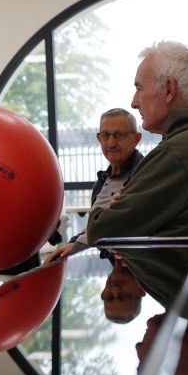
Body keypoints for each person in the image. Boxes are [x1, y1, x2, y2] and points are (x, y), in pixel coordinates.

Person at [86, 41, 188, 243]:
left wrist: (117, 207)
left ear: (168, 90)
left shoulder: (179, 153)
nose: (134, 102)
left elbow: (101, 231)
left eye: (139, 88)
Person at [44, 108, 143, 263]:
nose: (111, 143)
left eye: (119, 135)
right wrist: (72, 244)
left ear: (136, 139)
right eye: (105, 135)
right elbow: (94, 227)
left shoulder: (144, 176)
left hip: (137, 267)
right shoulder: (101, 182)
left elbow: (118, 227)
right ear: (99, 138)